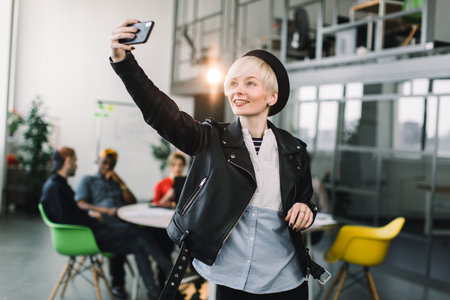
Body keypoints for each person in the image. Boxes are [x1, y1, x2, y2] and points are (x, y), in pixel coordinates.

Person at [110, 19, 321, 300]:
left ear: (273, 96)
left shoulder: (294, 150)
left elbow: (305, 200)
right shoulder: (211, 139)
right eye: (233, 83)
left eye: (250, 83)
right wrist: (124, 62)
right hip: (229, 280)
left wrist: (306, 209)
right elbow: (160, 112)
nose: (238, 90)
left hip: (285, 282)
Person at [40, 147, 172, 300]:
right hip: (86, 236)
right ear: (68, 160)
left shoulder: (57, 184)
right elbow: (66, 218)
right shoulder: (57, 187)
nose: (77, 164)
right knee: (137, 232)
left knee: (138, 245)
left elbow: (70, 213)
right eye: (75, 160)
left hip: (90, 232)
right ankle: (168, 268)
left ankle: (154, 293)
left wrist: (90, 214)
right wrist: (94, 217)